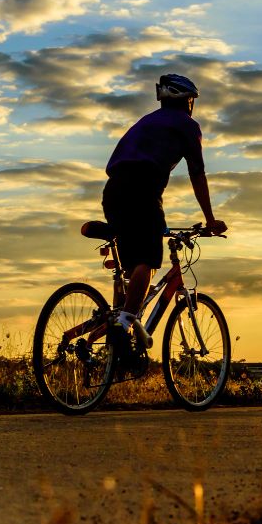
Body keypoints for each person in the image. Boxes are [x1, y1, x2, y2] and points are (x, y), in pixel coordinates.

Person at [101, 74, 227, 371]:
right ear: (188, 101)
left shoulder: (146, 121)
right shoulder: (186, 125)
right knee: (149, 260)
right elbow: (198, 173)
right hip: (142, 192)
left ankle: (121, 336)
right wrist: (209, 220)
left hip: (112, 192)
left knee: (133, 270)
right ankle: (121, 326)